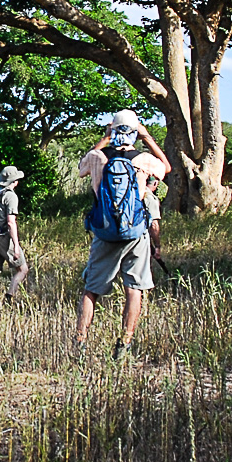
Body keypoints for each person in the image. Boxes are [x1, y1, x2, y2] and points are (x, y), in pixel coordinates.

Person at [73, 110, 170, 361]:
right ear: (135, 132)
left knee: (91, 289)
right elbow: (166, 168)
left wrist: (104, 139)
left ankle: (81, 341)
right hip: (135, 233)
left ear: (113, 129)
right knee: (134, 288)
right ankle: (124, 343)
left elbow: (80, 169)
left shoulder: (97, 157)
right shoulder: (143, 159)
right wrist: (147, 137)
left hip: (104, 232)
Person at [0, 165, 30, 310]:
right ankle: (9, 297)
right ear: (15, 181)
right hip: (3, 237)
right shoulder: (10, 196)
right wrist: (16, 246)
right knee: (22, 269)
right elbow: (11, 222)